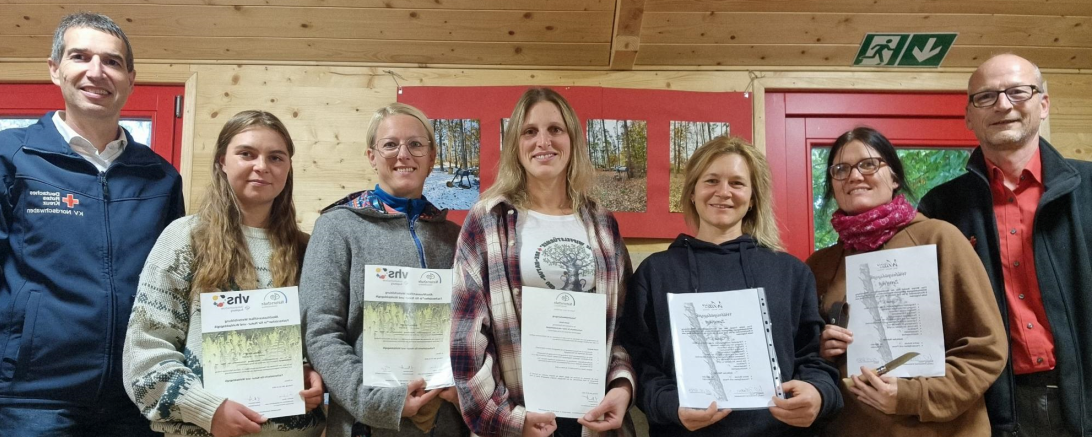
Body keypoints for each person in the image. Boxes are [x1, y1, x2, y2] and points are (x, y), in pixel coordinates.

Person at [0, 12, 184, 435]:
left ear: (130, 78)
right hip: (33, 398)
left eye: (112, 62)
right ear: (55, 69)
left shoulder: (159, 177)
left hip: (134, 396)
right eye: (80, 56)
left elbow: (177, 288)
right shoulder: (13, 157)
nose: (96, 72)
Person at [620, 136, 841, 436]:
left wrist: (818, 393)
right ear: (693, 192)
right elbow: (641, 362)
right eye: (711, 180)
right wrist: (670, 404)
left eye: (737, 183)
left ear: (752, 198)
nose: (723, 192)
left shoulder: (791, 272)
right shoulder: (655, 273)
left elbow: (814, 358)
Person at [919, 54, 1092, 437]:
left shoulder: (1090, 187)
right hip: (992, 409)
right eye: (986, 97)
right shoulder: (940, 208)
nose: (1002, 105)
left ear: (1043, 104)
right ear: (968, 116)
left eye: (1018, 91)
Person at [123, 110, 325, 436]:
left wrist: (312, 374)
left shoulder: (308, 249)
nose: (262, 166)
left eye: (276, 157)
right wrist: (207, 410)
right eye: (246, 154)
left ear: (288, 168)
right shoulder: (185, 238)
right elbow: (145, 352)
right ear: (222, 161)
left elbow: (320, 341)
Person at [449, 87, 635, 437]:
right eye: (529, 131)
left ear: (573, 140)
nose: (543, 141)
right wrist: (507, 421)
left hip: (592, 419)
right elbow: (465, 338)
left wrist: (621, 387)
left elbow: (620, 327)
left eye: (555, 130)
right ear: (515, 145)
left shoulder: (602, 223)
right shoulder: (488, 220)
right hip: (517, 417)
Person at [808, 127, 1007, 436]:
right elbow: (801, 361)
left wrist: (911, 397)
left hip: (940, 429)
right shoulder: (818, 265)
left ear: (895, 177)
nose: (854, 176)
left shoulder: (940, 238)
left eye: (869, 164)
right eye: (840, 169)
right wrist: (819, 348)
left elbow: (985, 349)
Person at [300, 102, 468, 437]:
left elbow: (469, 329)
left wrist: (463, 387)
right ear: (372, 156)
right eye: (390, 144)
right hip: (367, 423)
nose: (403, 154)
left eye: (416, 144)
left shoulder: (455, 236)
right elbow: (320, 333)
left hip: (445, 422)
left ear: (432, 157)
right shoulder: (337, 227)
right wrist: (377, 401)